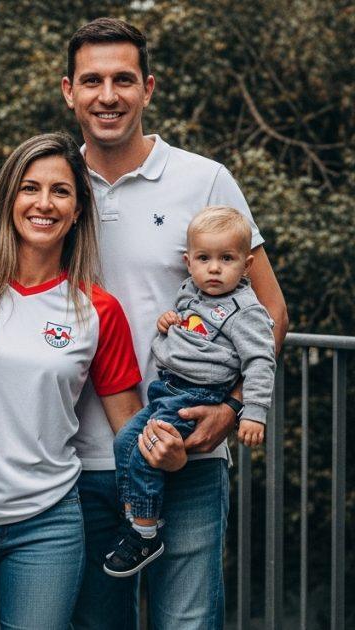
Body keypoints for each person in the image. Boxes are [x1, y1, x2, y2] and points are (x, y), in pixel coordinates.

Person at [61, 18, 289, 629]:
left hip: (188, 448)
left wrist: (235, 407)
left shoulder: (203, 179)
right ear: (68, 91)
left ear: (148, 88)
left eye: (123, 80)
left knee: (185, 624)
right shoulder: (51, 186)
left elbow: (270, 309)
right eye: (92, 81)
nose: (107, 95)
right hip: (72, 459)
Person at [0, 132, 143, 629]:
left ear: (78, 210)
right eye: (29, 188)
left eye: (60, 191)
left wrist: (178, 439)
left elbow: (130, 429)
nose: (44, 203)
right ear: (8, 199)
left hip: (48, 525)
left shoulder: (98, 310)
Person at [105, 205, 275, 578]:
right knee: (123, 443)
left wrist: (252, 413)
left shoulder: (245, 311)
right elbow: (188, 324)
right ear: (189, 262)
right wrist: (169, 321)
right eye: (204, 258)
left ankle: (145, 533)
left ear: (246, 265)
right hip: (165, 390)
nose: (214, 268)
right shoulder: (191, 291)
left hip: (198, 397)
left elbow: (261, 362)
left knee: (145, 454)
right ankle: (135, 516)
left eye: (226, 259)